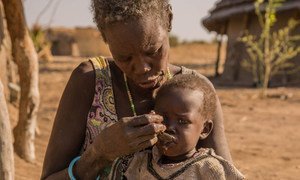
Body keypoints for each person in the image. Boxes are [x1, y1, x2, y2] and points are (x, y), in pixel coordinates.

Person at [41, 0, 232, 179]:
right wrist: (99, 153)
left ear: (169, 20)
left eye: (153, 51)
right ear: (105, 38)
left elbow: (223, 173)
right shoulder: (90, 81)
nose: (143, 68)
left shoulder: (197, 92)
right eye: (124, 57)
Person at [109, 74, 244, 179]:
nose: (169, 127)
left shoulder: (209, 168)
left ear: (205, 129)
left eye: (182, 121)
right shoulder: (141, 162)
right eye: (163, 118)